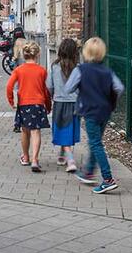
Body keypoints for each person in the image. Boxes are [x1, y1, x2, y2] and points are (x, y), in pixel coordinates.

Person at [70, 37, 125, 193]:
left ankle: (107, 179)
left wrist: (83, 91)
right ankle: (88, 172)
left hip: (90, 111)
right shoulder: (107, 71)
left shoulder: (81, 70)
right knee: (96, 141)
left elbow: (69, 88)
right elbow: (119, 88)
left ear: (86, 52)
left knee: (96, 144)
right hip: (105, 111)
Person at [5, 40, 50, 172]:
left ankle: (25, 156)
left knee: (25, 130)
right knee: (36, 131)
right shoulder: (42, 71)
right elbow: (45, 90)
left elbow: (9, 86)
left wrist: (11, 100)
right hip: (38, 103)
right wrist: (48, 105)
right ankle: (35, 159)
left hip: (24, 103)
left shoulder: (19, 70)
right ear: (37, 55)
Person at [47, 38, 81, 173]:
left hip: (60, 103)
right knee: (68, 129)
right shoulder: (78, 68)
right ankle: (62, 154)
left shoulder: (54, 67)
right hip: (74, 103)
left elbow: (49, 85)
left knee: (62, 128)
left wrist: (52, 95)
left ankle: (70, 159)